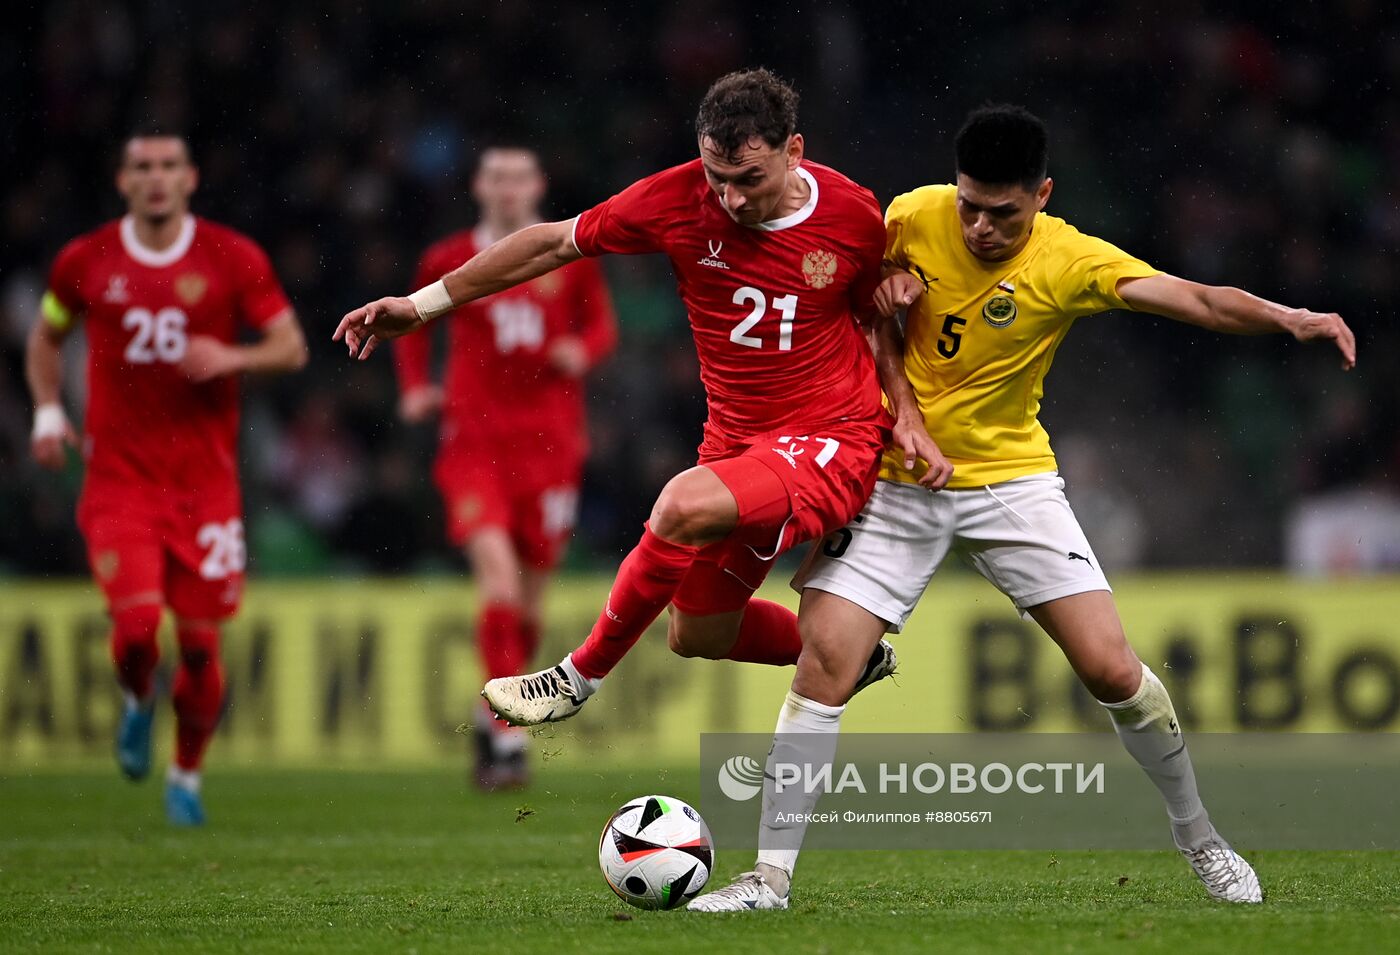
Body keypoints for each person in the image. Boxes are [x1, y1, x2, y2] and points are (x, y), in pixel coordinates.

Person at [689, 104, 1356, 911]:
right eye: (968, 204)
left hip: (1011, 479)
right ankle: (768, 878)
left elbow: (1200, 301)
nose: (977, 226)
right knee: (824, 663)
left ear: (1041, 195)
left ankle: (1202, 839)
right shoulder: (910, 215)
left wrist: (1290, 316)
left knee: (1113, 669)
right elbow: (848, 304)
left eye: (1002, 212)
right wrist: (884, 298)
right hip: (894, 480)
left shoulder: (1072, 258)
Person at [335, 69, 951, 727]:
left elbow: (872, 320)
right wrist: (421, 306)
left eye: (750, 179)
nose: (732, 198)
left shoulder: (852, 213)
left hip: (835, 435)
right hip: (739, 443)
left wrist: (905, 416)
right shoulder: (679, 199)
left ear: (794, 152)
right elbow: (549, 244)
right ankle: (850, 656)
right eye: (719, 176)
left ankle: (576, 677)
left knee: (680, 502)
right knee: (698, 632)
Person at [26, 132, 308, 826]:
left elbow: (292, 346)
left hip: (206, 488)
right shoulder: (85, 261)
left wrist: (231, 356)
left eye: (168, 167)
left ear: (191, 177)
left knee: (203, 646)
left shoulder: (232, 257)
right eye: (142, 167)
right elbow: (46, 335)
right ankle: (135, 698)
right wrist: (44, 411)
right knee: (137, 630)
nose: (156, 178)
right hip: (119, 482)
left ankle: (185, 776)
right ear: (123, 180)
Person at [394, 146, 619, 789]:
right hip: (474, 443)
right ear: (478, 185)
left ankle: (487, 706)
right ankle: (509, 730)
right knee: (498, 581)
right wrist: (414, 387)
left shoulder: (568, 256)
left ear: (538, 184)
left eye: (520, 176)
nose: (508, 187)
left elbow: (603, 329)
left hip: (551, 446)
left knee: (528, 601)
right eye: (496, 176)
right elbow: (412, 319)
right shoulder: (447, 257)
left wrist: (583, 348)